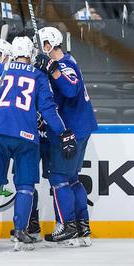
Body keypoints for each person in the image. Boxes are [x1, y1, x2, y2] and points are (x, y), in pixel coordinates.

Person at [0, 36, 75, 251]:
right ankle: (20, 231)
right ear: (31, 53)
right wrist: (63, 132)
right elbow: (47, 109)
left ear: (13, 53)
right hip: (26, 137)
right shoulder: (38, 75)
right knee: (25, 186)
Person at [34, 26, 97, 246]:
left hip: (72, 131)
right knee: (72, 179)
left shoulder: (64, 65)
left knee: (59, 178)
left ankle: (67, 226)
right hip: (80, 128)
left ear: (49, 45)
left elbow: (71, 89)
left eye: (40, 45)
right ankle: (82, 227)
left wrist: (53, 69)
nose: (37, 50)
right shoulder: (66, 61)